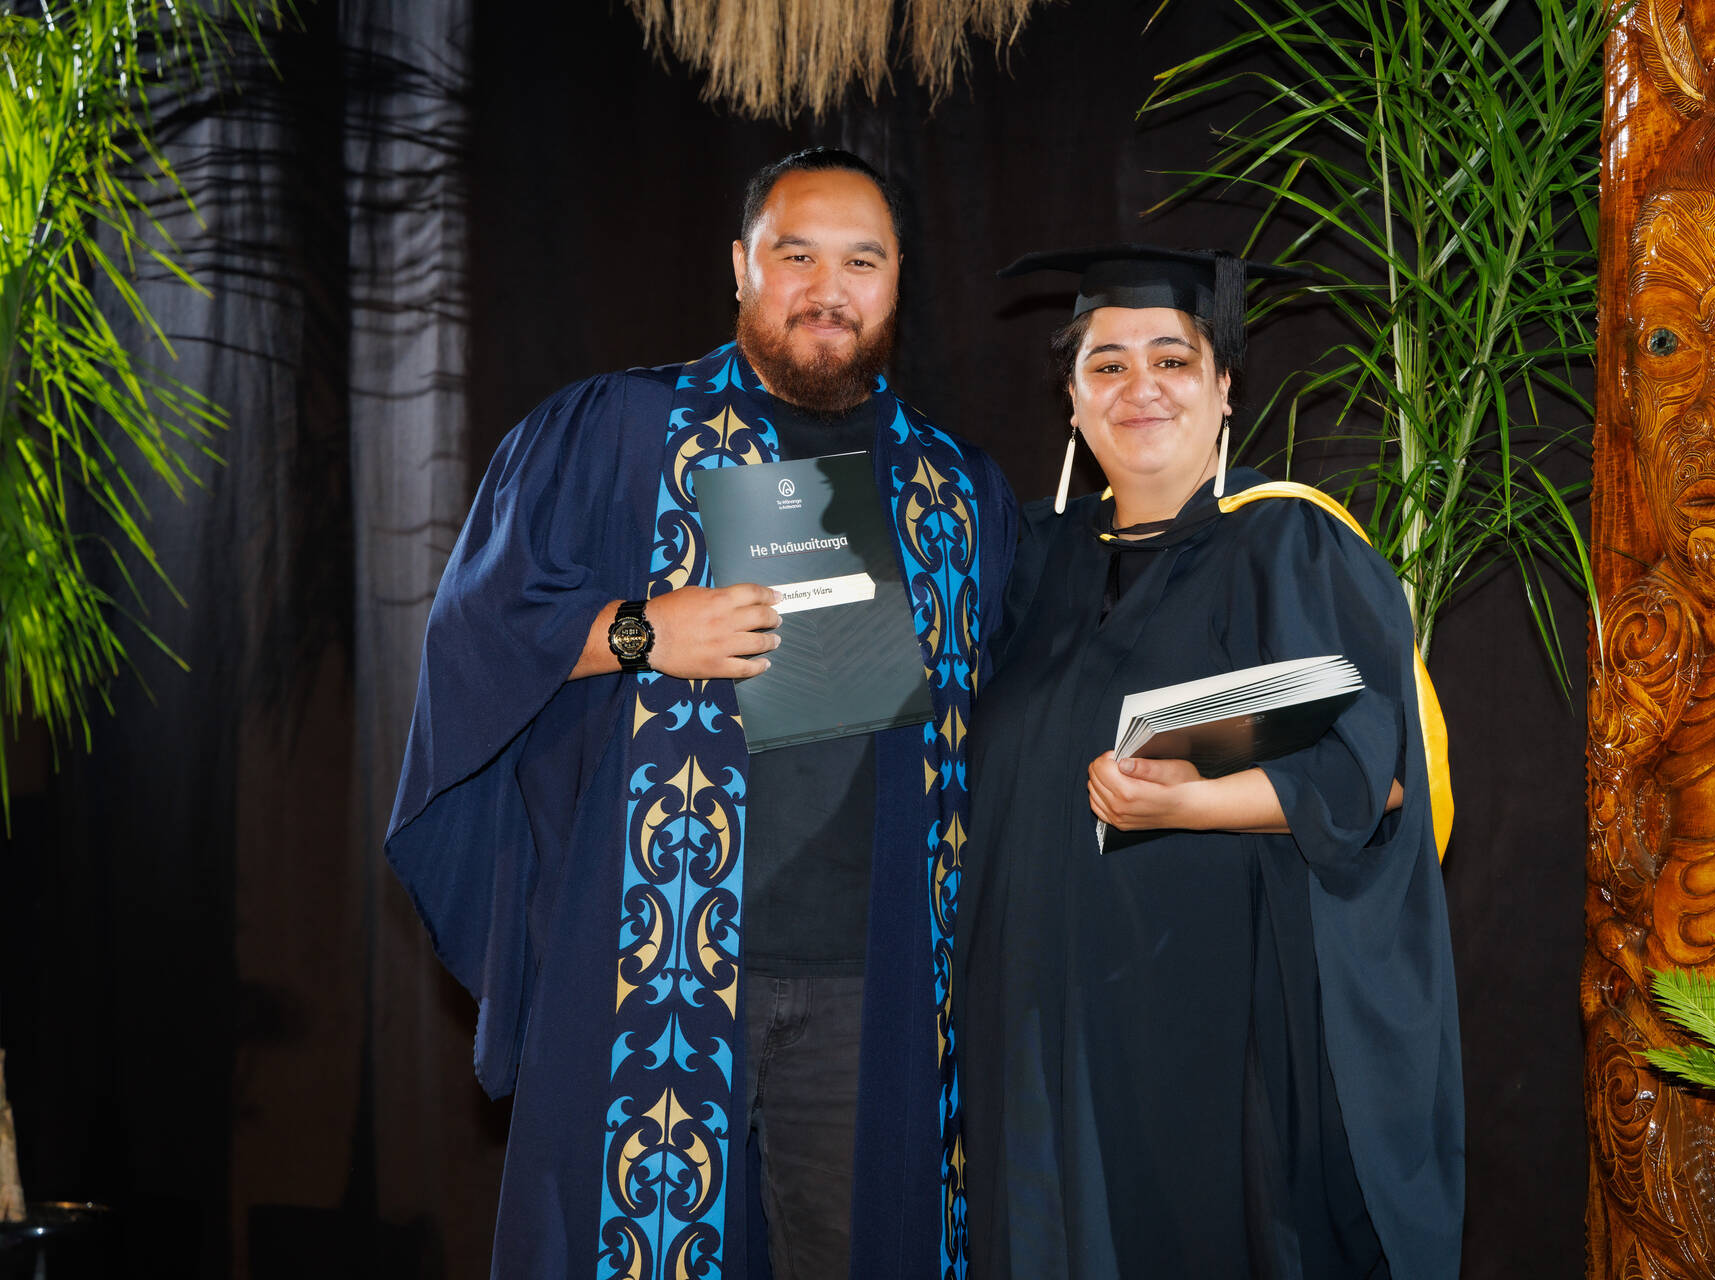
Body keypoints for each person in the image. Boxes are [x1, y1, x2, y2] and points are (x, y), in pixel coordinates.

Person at [385, 148, 1016, 1280]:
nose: (828, 288)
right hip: (654, 961)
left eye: (861, 261)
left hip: (873, 988)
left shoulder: (956, 490)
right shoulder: (622, 430)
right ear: (740, 265)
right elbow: (478, 632)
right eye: (796, 254)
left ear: (897, 280)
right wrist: (644, 633)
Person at [955, 245, 1464, 1279]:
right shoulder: (1034, 563)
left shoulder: (1287, 546)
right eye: (1106, 364)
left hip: (1207, 1014)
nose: (1139, 386)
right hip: (1036, 1009)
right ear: (1071, 399)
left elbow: (1377, 776)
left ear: (1224, 387)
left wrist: (1194, 802)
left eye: (1173, 359)